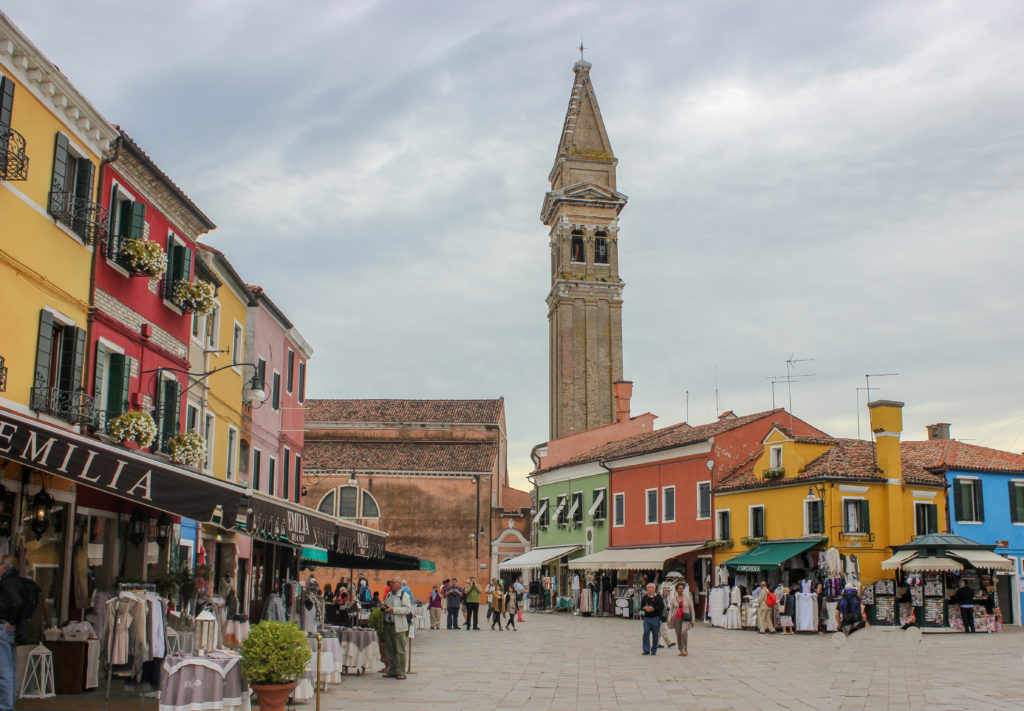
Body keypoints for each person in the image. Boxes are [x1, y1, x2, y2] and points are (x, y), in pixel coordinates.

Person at [0, 555, 23, 711]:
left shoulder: (7, 583)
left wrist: (10, 622)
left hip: (4, 628)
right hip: (9, 629)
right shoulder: (16, 582)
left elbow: (17, 603)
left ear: (4, 567)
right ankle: (9, 702)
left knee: (4, 669)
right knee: (10, 668)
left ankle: (6, 706)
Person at [380, 579, 412, 680]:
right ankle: (392, 670)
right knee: (390, 649)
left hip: (398, 626)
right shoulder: (389, 595)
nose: (391, 584)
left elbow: (408, 609)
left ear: (399, 584)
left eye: (393, 582)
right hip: (388, 624)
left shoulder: (404, 595)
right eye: (391, 582)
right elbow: (387, 605)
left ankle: (401, 671)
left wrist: (393, 610)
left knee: (400, 650)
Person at [668, 581, 694, 656]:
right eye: (679, 588)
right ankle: (680, 649)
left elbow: (692, 609)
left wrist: (693, 620)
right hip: (677, 618)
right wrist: (669, 619)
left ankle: (685, 648)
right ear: (676, 589)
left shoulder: (687, 599)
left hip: (685, 618)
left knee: (684, 633)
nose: (681, 590)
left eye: (682, 588)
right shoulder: (673, 599)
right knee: (678, 634)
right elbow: (671, 610)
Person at [639, 582, 664, 655]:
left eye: (650, 588)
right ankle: (646, 649)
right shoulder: (645, 597)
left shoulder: (658, 597)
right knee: (646, 632)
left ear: (654, 589)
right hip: (647, 618)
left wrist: (653, 609)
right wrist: (645, 608)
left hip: (655, 618)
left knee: (655, 634)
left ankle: (654, 650)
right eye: (648, 588)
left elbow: (661, 606)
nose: (649, 589)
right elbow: (641, 607)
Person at [658, 584, 676, 649]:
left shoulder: (666, 598)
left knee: (659, 631)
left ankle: (657, 643)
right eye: (668, 591)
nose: (669, 592)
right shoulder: (660, 597)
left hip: (664, 615)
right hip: (661, 616)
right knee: (664, 630)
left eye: (669, 591)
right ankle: (668, 643)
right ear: (664, 591)